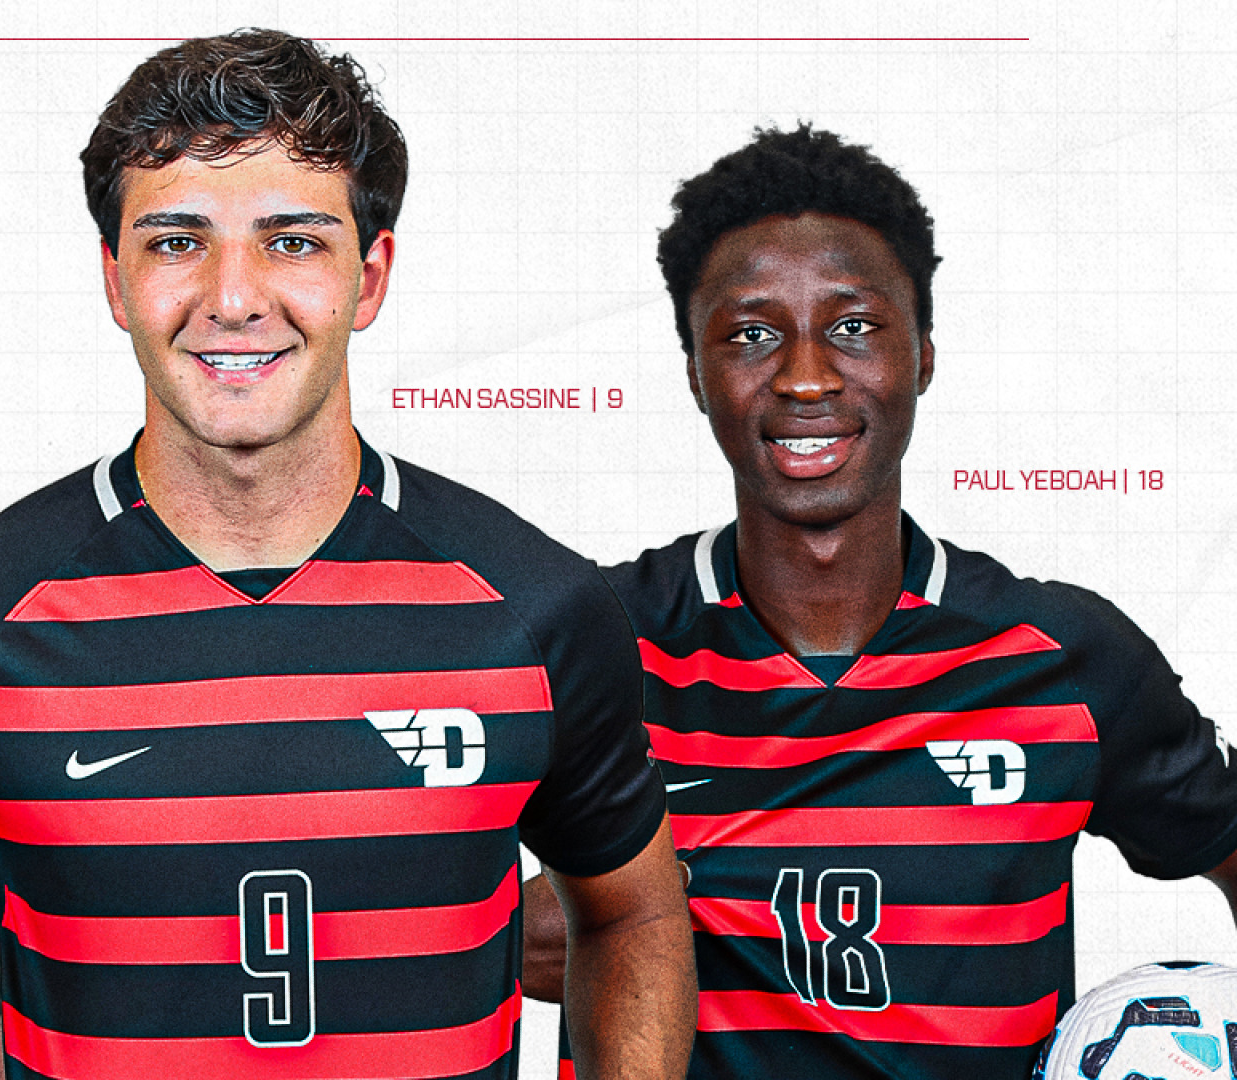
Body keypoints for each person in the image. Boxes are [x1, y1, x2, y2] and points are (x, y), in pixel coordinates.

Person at [0, 28, 694, 1080]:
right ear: (115, 279)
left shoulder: (538, 609)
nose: (232, 298)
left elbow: (631, 915)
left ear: (370, 276)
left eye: (292, 240)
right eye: (177, 240)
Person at [525, 124, 1237, 1079]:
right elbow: (397, 913)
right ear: (695, 371)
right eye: (751, 333)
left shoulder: (1066, 655)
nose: (807, 376)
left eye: (854, 326)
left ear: (925, 355)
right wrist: (536, 926)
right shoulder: (584, 642)